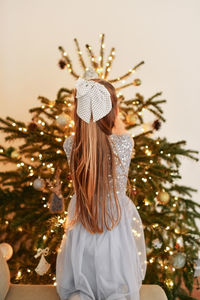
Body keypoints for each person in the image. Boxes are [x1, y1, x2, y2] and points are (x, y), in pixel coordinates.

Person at [56, 77, 147, 300]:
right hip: (113, 224)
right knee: (116, 288)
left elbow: (92, 136)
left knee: (82, 286)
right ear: (113, 110)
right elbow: (112, 135)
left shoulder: (71, 144)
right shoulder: (125, 143)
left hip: (83, 220)